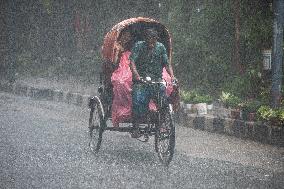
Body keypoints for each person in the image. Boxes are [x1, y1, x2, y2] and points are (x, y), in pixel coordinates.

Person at [129, 28, 175, 137]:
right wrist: (136, 75)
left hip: (156, 80)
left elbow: (167, 64)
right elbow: (132, 62)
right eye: (150, 40)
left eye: (154, 40)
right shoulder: (139, 46)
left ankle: (162, 122)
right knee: (138, 101)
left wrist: (172, 76)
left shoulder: (160, 47)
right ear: (146, 39)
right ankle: (136, 126)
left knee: (163, 100)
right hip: (141, 80)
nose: (152, 43)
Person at [111, 30, 133, 127]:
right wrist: (118, 52)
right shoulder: (116, 46)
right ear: (121, 35)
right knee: (122, 82)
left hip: (130, 66)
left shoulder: (132, 48)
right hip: (121, 67)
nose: (126, 38)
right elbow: (114, 62)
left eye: (128, 37)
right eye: (125, 36)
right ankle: (122, 109)